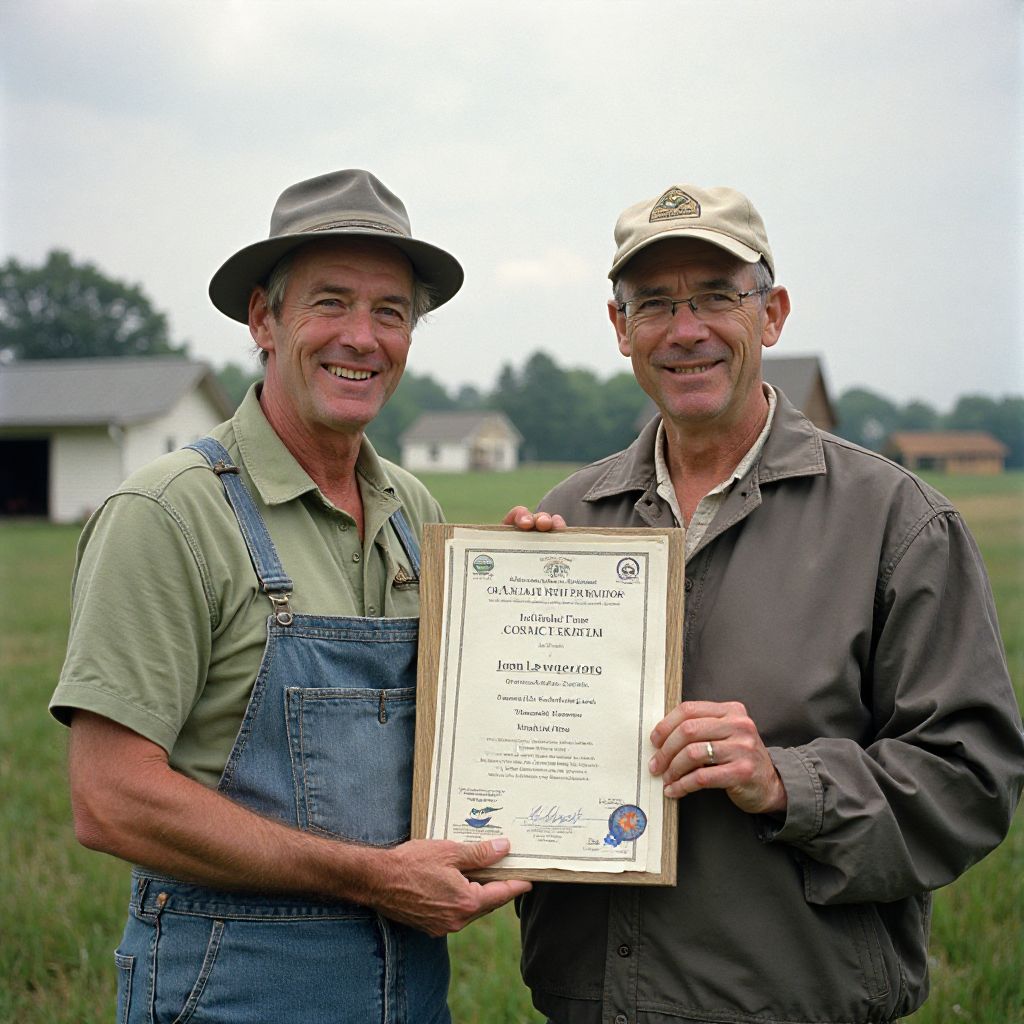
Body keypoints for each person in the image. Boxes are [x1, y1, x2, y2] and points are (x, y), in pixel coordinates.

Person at [506, 183, 1024, 1024]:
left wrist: (787, 781)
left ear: (772, 314)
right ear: (619, 329)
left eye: (717, 296)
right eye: (655, 304)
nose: (686, 329)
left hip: (795, 1002)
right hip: (591, 1003)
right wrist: (505, 605)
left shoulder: (896, 522)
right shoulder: (570, 517)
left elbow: (972, 779)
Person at [51, 169, 529, 1024]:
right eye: (331, 303)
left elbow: (472, 723)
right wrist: (373, 876)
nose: (362, 336)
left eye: (390, 311)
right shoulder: (168, 513)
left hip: (409, 988)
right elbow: (109, 797)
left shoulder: (412, 512)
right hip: (232, 989)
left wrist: (544, 594)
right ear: (263, 319)